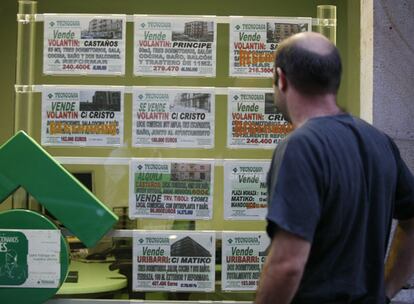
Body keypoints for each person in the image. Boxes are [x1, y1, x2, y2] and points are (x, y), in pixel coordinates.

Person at [255, 32, 414, 304]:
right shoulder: (380, 142)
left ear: (281, 79)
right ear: (334, 80)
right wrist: (383, 293)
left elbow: (288, 265)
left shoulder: (301, 146)